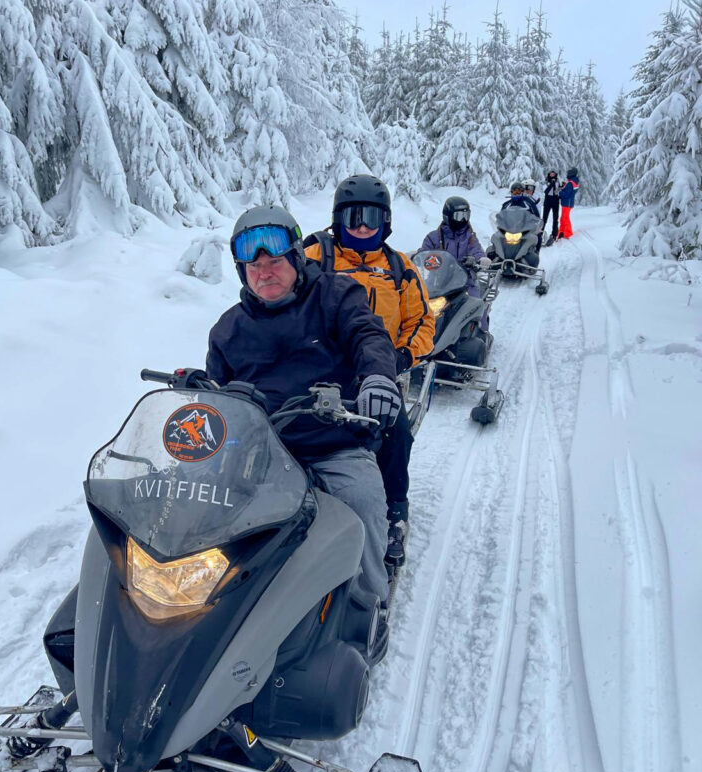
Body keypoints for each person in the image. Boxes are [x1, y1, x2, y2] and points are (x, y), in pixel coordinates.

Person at [204, 205, 399, 624]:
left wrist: (377, 379)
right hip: (261, 452)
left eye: (275, 261)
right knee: (208, 512)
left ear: (295, 257)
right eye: (253, 266)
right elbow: (218, 393)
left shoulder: (335, 295)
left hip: (334, 441)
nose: (265, 272)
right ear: (242, 273)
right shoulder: (228, 329)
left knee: (362, 503)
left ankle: (368, 605)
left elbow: (369, 336)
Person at [304, 175, 434, 571]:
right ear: (338, 218)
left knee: (395, 431)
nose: (362, 226)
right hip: (316, 370)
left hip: (376, 373)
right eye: (354, 217)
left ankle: (395, 511)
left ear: (386, 221)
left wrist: (399, 358)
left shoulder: (399, 269)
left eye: (371, 218)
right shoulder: (315, 257)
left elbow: (422, 323)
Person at [420, 195, 492, 316]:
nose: (463, 220)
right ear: (448, 216)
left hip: (465, 281)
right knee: (417, 303)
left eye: (466, 216)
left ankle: (482, 332)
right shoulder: (434, 237)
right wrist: (417, 258)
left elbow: (476, 250)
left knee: (476, 306)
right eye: (459, 216)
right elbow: (424, 253)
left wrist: (480, 259)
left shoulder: (470, 237)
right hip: (437, 281)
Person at [502, 181, 543, 250]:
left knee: (538, 237)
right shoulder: (507, 204)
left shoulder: (529, 203)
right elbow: (501, 217)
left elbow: (536, 216)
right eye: (514, 192)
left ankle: (536, 253)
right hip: (511, 229)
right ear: (511, 192)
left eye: (518, 192)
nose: (516, 194)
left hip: (525, 229)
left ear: (522, 192)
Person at [558, 168, 579, 239]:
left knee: (565, 218)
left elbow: (566, 194)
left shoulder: (570, 183)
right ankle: (562, 231)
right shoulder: (574, 182)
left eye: (568, 173)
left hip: (567, 203)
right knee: (563, 218)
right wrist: (565, 186)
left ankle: (568, 232)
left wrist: (560, 192)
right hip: (568, 203)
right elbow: (570, 191)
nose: (567, 175)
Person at [541, 170, 560, 245]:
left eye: (554, 174)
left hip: (555, 201)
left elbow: (557, 190)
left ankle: (554, 234)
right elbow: (546, 191)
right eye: (551, 174)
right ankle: (541, 233)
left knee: (555, 218)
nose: (552, 175)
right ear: (549, 174)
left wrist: (562, 187)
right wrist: (551, 184)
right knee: (544, 218)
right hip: (548, 201)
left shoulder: (558, 181)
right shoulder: (546, 182)